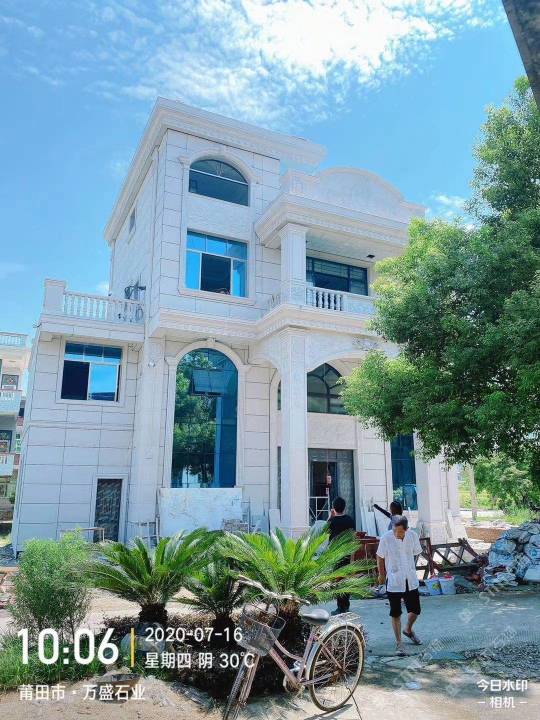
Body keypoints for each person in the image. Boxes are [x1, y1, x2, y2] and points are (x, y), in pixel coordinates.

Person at [376, 515, 423, 656]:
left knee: (416, 610)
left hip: (410, 579)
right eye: (395, 530)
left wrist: (411, 568)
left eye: (400, 531)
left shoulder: (413, 536)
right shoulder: (386, 538)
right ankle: (399, 643)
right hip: (394, 580)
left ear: (407, 529)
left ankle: (408, 629)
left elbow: (416, 553)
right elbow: (380, 556)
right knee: (396, 613)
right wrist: (381, 575)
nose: (397, 533)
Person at [328, 496, 355, 616]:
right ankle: (346, 604)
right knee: (346, 579)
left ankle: (341, 606)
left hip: (336, 555)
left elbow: (323, 532)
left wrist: (330, 516)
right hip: (347, 553)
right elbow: (353, 537)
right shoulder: (350, 520)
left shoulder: (332, 522)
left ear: (334, 508)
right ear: (344, 507)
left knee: (338, 580)